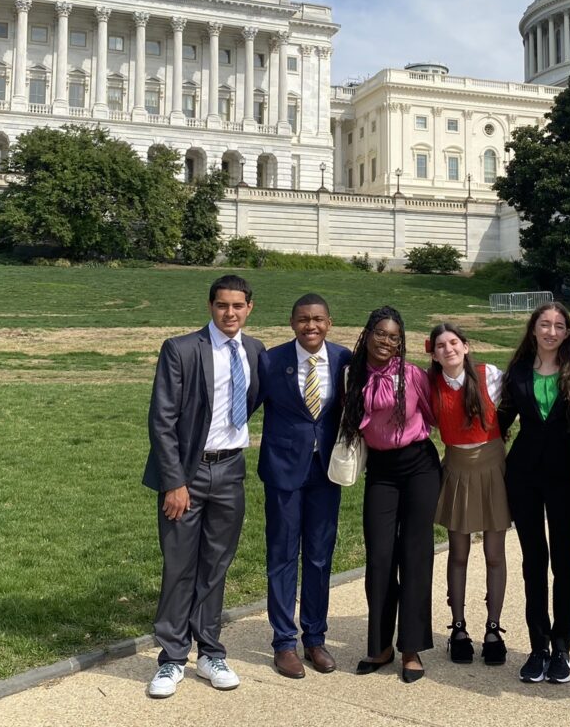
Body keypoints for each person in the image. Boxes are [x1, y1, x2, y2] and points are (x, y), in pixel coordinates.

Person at [142, 274, 264, 697]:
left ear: (250, 308)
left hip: (231, 471)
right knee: (179, 567)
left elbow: (252, 402)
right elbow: (162, 419)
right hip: (188, 474)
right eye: (222, 305)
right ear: (210, 307)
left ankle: (210, 651)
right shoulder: (181, 349)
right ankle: (172, 658)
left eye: (237, 306)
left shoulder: (254, 350)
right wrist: (175, 481)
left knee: (216, 566)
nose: (229, 313)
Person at [339, 306, 440, 683]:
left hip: (419, 467)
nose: (386, 341)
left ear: (402, 342)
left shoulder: (411, 375)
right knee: (380, 557)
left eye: (394, 336)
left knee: (415, 555)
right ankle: (380, 645)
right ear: (368, 333)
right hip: (380, 471)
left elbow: (434, 414)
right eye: (381, 333)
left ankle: (411, 648)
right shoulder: (353, 374)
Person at [257, 293, 352, 679]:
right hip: (283, 470)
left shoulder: (345, 360)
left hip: (326, 471)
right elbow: (243, 405)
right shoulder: (271, 360)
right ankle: (284, 642)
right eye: (302, 319)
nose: (310, 326)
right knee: (282, 555)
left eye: (317, 319)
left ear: (329, 322)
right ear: (291, 322)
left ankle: (315, 637)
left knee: (318, 556)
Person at [498, 302, 570, 685]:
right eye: (544, 324)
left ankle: (562, 646)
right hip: (525, 476)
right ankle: (538, 645)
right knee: (534, 561)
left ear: (567, 333)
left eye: (559, 325)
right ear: (533, 329)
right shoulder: (516, 373)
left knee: (563, 561)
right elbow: (499, 423)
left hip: (567, 475)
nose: (551, 331)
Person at [428, 323, 510, 667]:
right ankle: (458, 628)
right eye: (441, 345)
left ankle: (493, 629)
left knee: (494, 553)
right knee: (458, 552)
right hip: (457, 468)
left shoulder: (488, 374)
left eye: (454, 342)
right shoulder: (429, 385)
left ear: (465, 345)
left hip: (492, 467)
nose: (448, 349)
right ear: (432, 352)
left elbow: (524, 390)